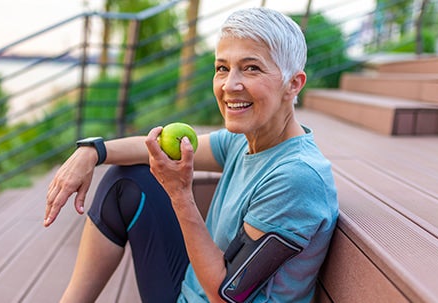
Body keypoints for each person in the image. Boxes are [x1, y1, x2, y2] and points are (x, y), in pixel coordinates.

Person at [44, 7, 338, 303]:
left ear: (293, 84)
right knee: (126, 179)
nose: (229, 85)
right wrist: (92, 151)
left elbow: (226, 296)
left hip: (211, 296)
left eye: (252, 68)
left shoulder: (296, 178)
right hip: (191, 286)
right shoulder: (245, 140)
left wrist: (180, 195)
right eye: (222, 68)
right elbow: (152, 148)